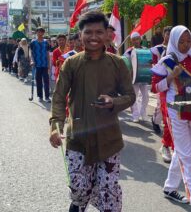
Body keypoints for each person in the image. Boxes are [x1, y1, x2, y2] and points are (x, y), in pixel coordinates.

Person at [49, 11, 136, 212]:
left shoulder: (118, 63)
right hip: (78, 139)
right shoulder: (71, 63)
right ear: (81, 35)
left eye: (99, 32)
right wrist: (55, 126)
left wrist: (113, 102)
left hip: (109, 140)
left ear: (107, 34)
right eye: (88, 32)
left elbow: (130, 96)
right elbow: (60, 97)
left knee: (109, 191)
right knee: (79, 191)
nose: (94, 37)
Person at [151, 26, 191, 212]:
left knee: (184, 152)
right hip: (175, 110)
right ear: (174, 41)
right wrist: (170, 78)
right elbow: (155, 88)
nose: (184, 45)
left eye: (187, 41)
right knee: (187, 156)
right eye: (181, 42)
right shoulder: (166, 61)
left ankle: (170, 187)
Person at [150, 26, 173, 162]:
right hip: (161, 79)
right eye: (167, 33)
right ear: (164, 35)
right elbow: (153, 63)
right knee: (161, 107)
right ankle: (155, 122)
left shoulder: (178, 50)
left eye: (171, 34)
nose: (169, 36)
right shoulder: (157, 49)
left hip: (175, 91)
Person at [124, 32, 149, 123]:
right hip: (133, 78)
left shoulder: (146, 50)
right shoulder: (129, 51)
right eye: (134, 40)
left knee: (146, 96)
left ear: (140, 39)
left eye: (137, 39)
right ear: (131, 41)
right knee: (134, 96)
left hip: (143, 77)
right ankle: (135, 115)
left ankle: (143, 112)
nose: (136, 41)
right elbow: (125, 63)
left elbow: (149, 61)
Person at [30, 27, 51, 102]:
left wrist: (49, 64)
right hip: (37, 64)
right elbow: (31, 53)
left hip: (45, 64)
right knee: (38, 81)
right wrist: (32, 60)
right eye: (39, 32)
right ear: (36, 33)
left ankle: (47, 97)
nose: (40, 33)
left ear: (43, 33)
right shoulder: (33, 42)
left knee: (46, 81)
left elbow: (48, 53)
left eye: (42, 32)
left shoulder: (46, 42)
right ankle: (40, 96)